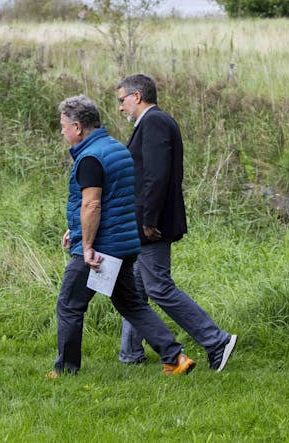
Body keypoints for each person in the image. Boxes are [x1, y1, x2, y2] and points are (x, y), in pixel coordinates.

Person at [50, 95, 196, 377]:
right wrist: (76, 227)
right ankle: (175, 358)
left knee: (69, 305)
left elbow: (92, 204)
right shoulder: (116, 148)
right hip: (125, 244)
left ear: (78, 127)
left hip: (101, 249)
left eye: (63, 125)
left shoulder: (90, 158)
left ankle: (65, 370)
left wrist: (88, 245)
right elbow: (113, 199)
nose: (62, 131)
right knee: (131, 304)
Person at [115, 74, 237, 372]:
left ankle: (216, 340)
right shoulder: (151, 123)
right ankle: (130, 354)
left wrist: (148, 220)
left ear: (138, 96)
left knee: (158, 287)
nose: (120, 107)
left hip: (152, 224)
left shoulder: (155, 122)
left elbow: (156, 176)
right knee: (135, 289)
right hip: (146, 221)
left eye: (122, 100)